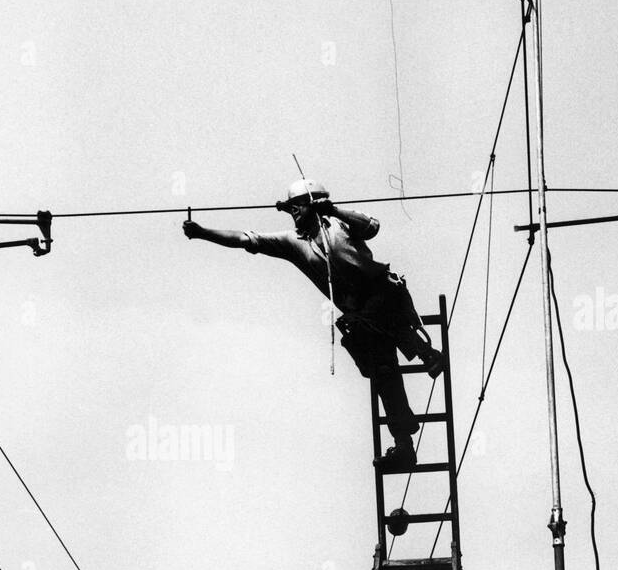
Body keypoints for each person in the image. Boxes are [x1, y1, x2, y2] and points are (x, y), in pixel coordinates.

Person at [182, 179, 443, 470]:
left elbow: (371, 227)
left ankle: (424, 352)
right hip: (361, 316)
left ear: (315, 203)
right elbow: (245, 239)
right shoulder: (294, 242)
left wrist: (335, 211)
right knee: (384, 375)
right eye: (290, 208)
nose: (294, 212)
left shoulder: (339, 224)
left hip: (384, 295)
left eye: (299, 206)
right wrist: (203, 233)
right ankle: (405, 443)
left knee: (376, 314)